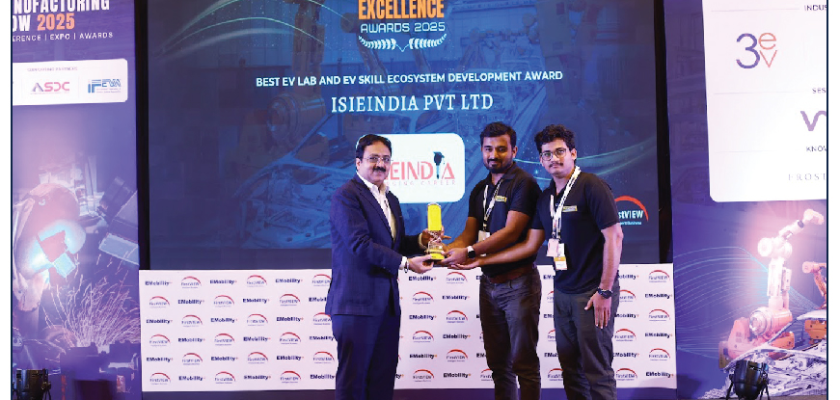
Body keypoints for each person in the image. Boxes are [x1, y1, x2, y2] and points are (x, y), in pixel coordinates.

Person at [461, 124, 623, 400]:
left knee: (597, 371)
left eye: (560, 152)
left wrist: (605, 291)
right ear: (540, 159)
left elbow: (615, 237)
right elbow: (530, 244)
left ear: (573, 153)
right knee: (571, 370)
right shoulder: (546, 197)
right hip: (562, 292)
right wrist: (479, 261)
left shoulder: (591, 186)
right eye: (547, 154)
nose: (553, 159)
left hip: (591, 293)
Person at [326, 134, 434, 400]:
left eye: (385, 159)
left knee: (382, 383)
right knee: (353, 384)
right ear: (358, 162)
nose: (380, 164)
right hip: (356, 306)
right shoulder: (346, 196)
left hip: (386, 306)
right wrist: (406, 264)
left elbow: (392, 244)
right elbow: (360, 244)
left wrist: (421, 241)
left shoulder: (390, 198)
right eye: (373, 158)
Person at [443, 122, 543, 400]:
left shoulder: (524, 183)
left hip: (519, 284)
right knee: (499, 366)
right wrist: (443, 251)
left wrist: (470, 253)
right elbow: (468, 234)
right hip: (489, 285)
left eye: (501, 149)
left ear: (514, 151)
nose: (493, 155)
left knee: (524, 365)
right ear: (481, 150)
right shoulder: (480, 188)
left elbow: (510, 232)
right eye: (488, 149)